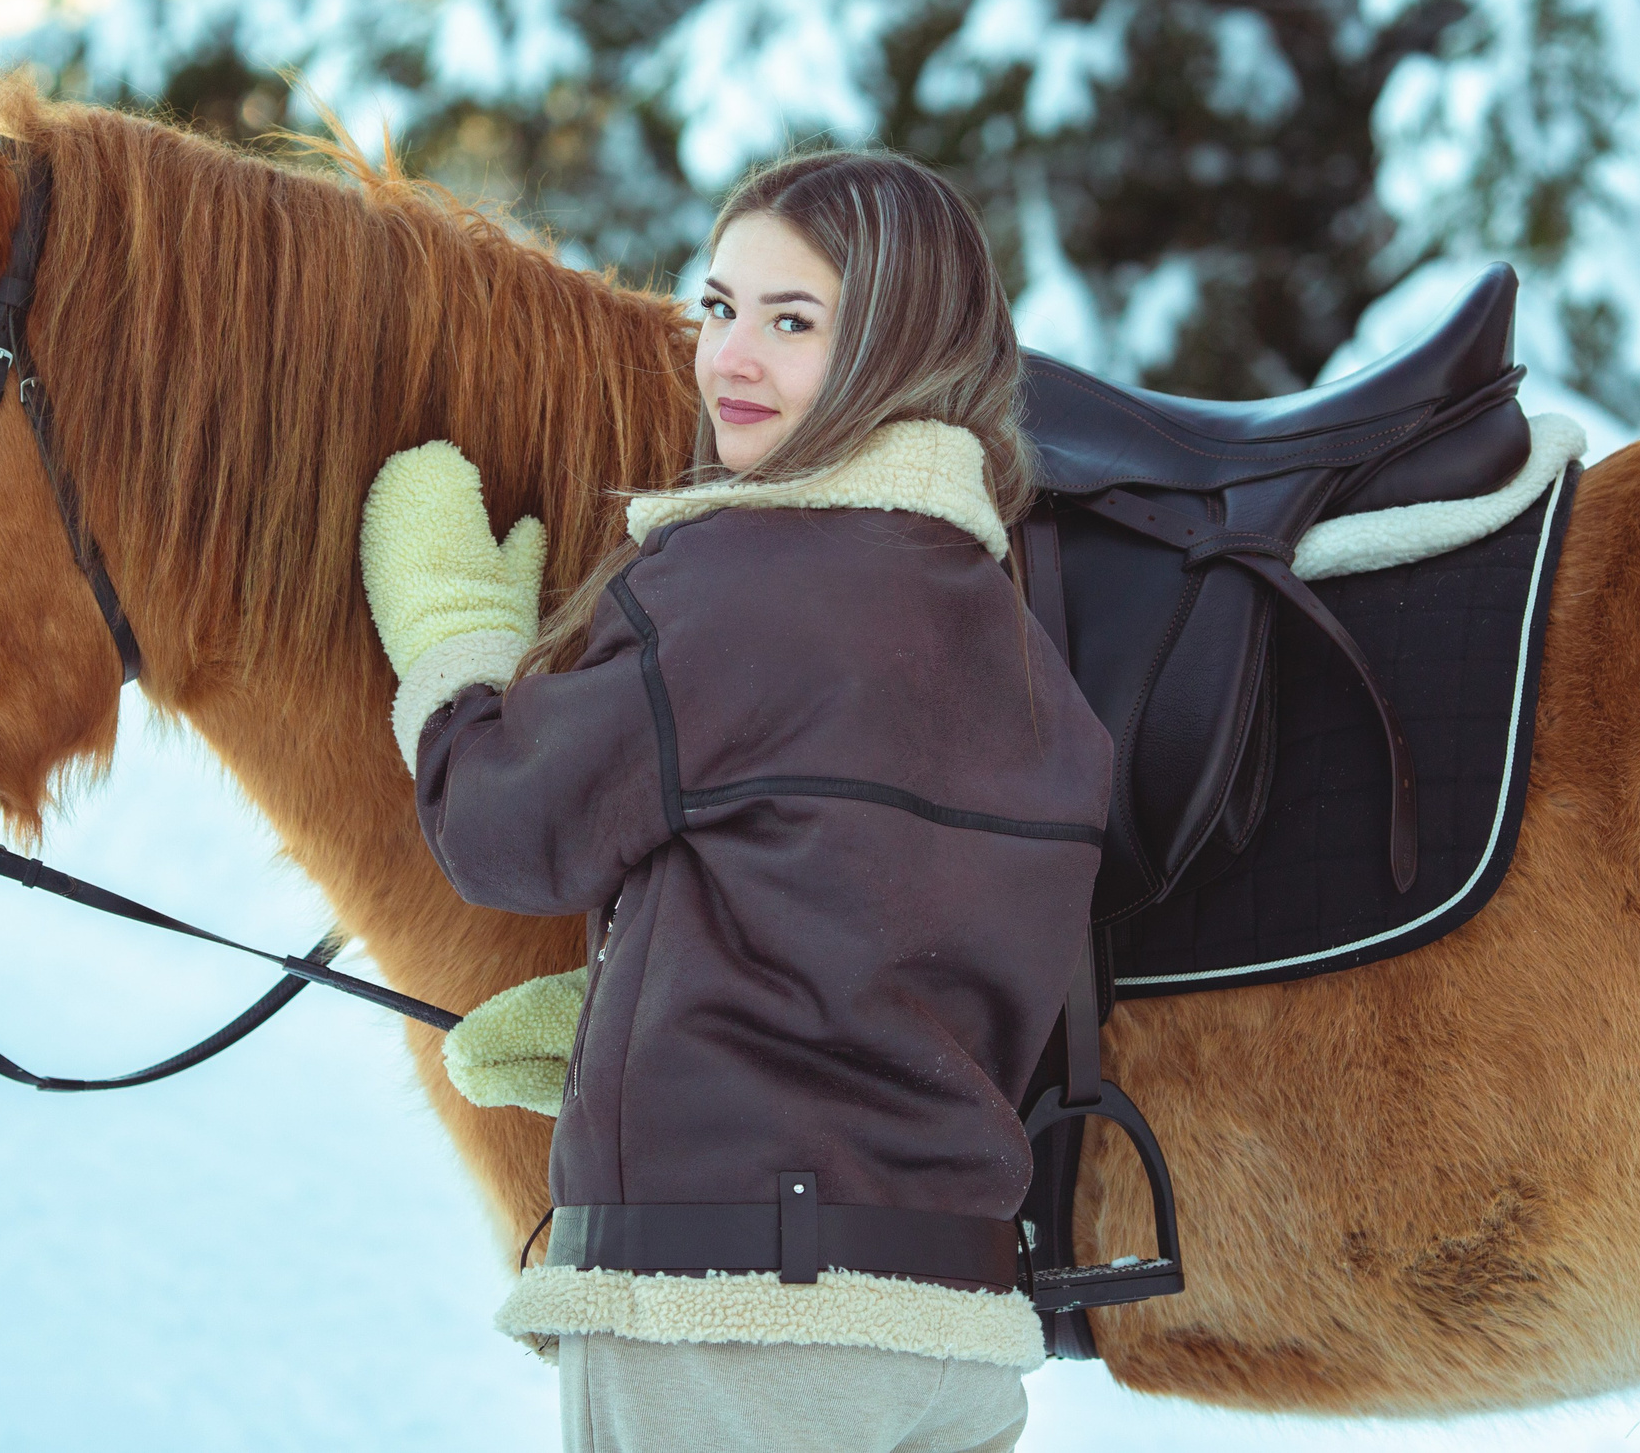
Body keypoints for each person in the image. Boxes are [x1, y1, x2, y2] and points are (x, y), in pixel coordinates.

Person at [357, 150, 1110, 1453]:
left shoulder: (737, 581)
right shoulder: (1023, 653)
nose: (731, 361)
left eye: (794, 321)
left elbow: (505, 831)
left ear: (899, 344)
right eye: (718, 309)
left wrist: (455, 641)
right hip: (947, 1328)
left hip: (731, 1316)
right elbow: (868, 933)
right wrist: (648, 1011)